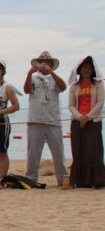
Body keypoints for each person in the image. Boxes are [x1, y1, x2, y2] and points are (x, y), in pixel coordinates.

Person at [24, 51, 67, 186]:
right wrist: (29, 73)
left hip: (53, 120)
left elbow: (63, 87)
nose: (44, 65)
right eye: (42, 62)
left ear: (52, 65)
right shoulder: (33, 77)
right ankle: (31, 179)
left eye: (47, 62)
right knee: (33, 153)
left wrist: (52, 73)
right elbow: (26, 90)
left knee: (58, 152)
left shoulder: (55, 78)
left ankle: (63, 179)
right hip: (35, 119)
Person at [68, 56, 105, 188]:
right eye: (84, 68)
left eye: (89, 68)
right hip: (77, 122)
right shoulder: (74, 86)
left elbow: (100, 103)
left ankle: (97, 181)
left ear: (92, 70)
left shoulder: (99, 85)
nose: (86, 70)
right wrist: (80, 117)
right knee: (78, 151)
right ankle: (81, 181)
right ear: (79, 70)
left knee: (94, 151)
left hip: (94, 122)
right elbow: (71, 105)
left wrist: (88, 117)